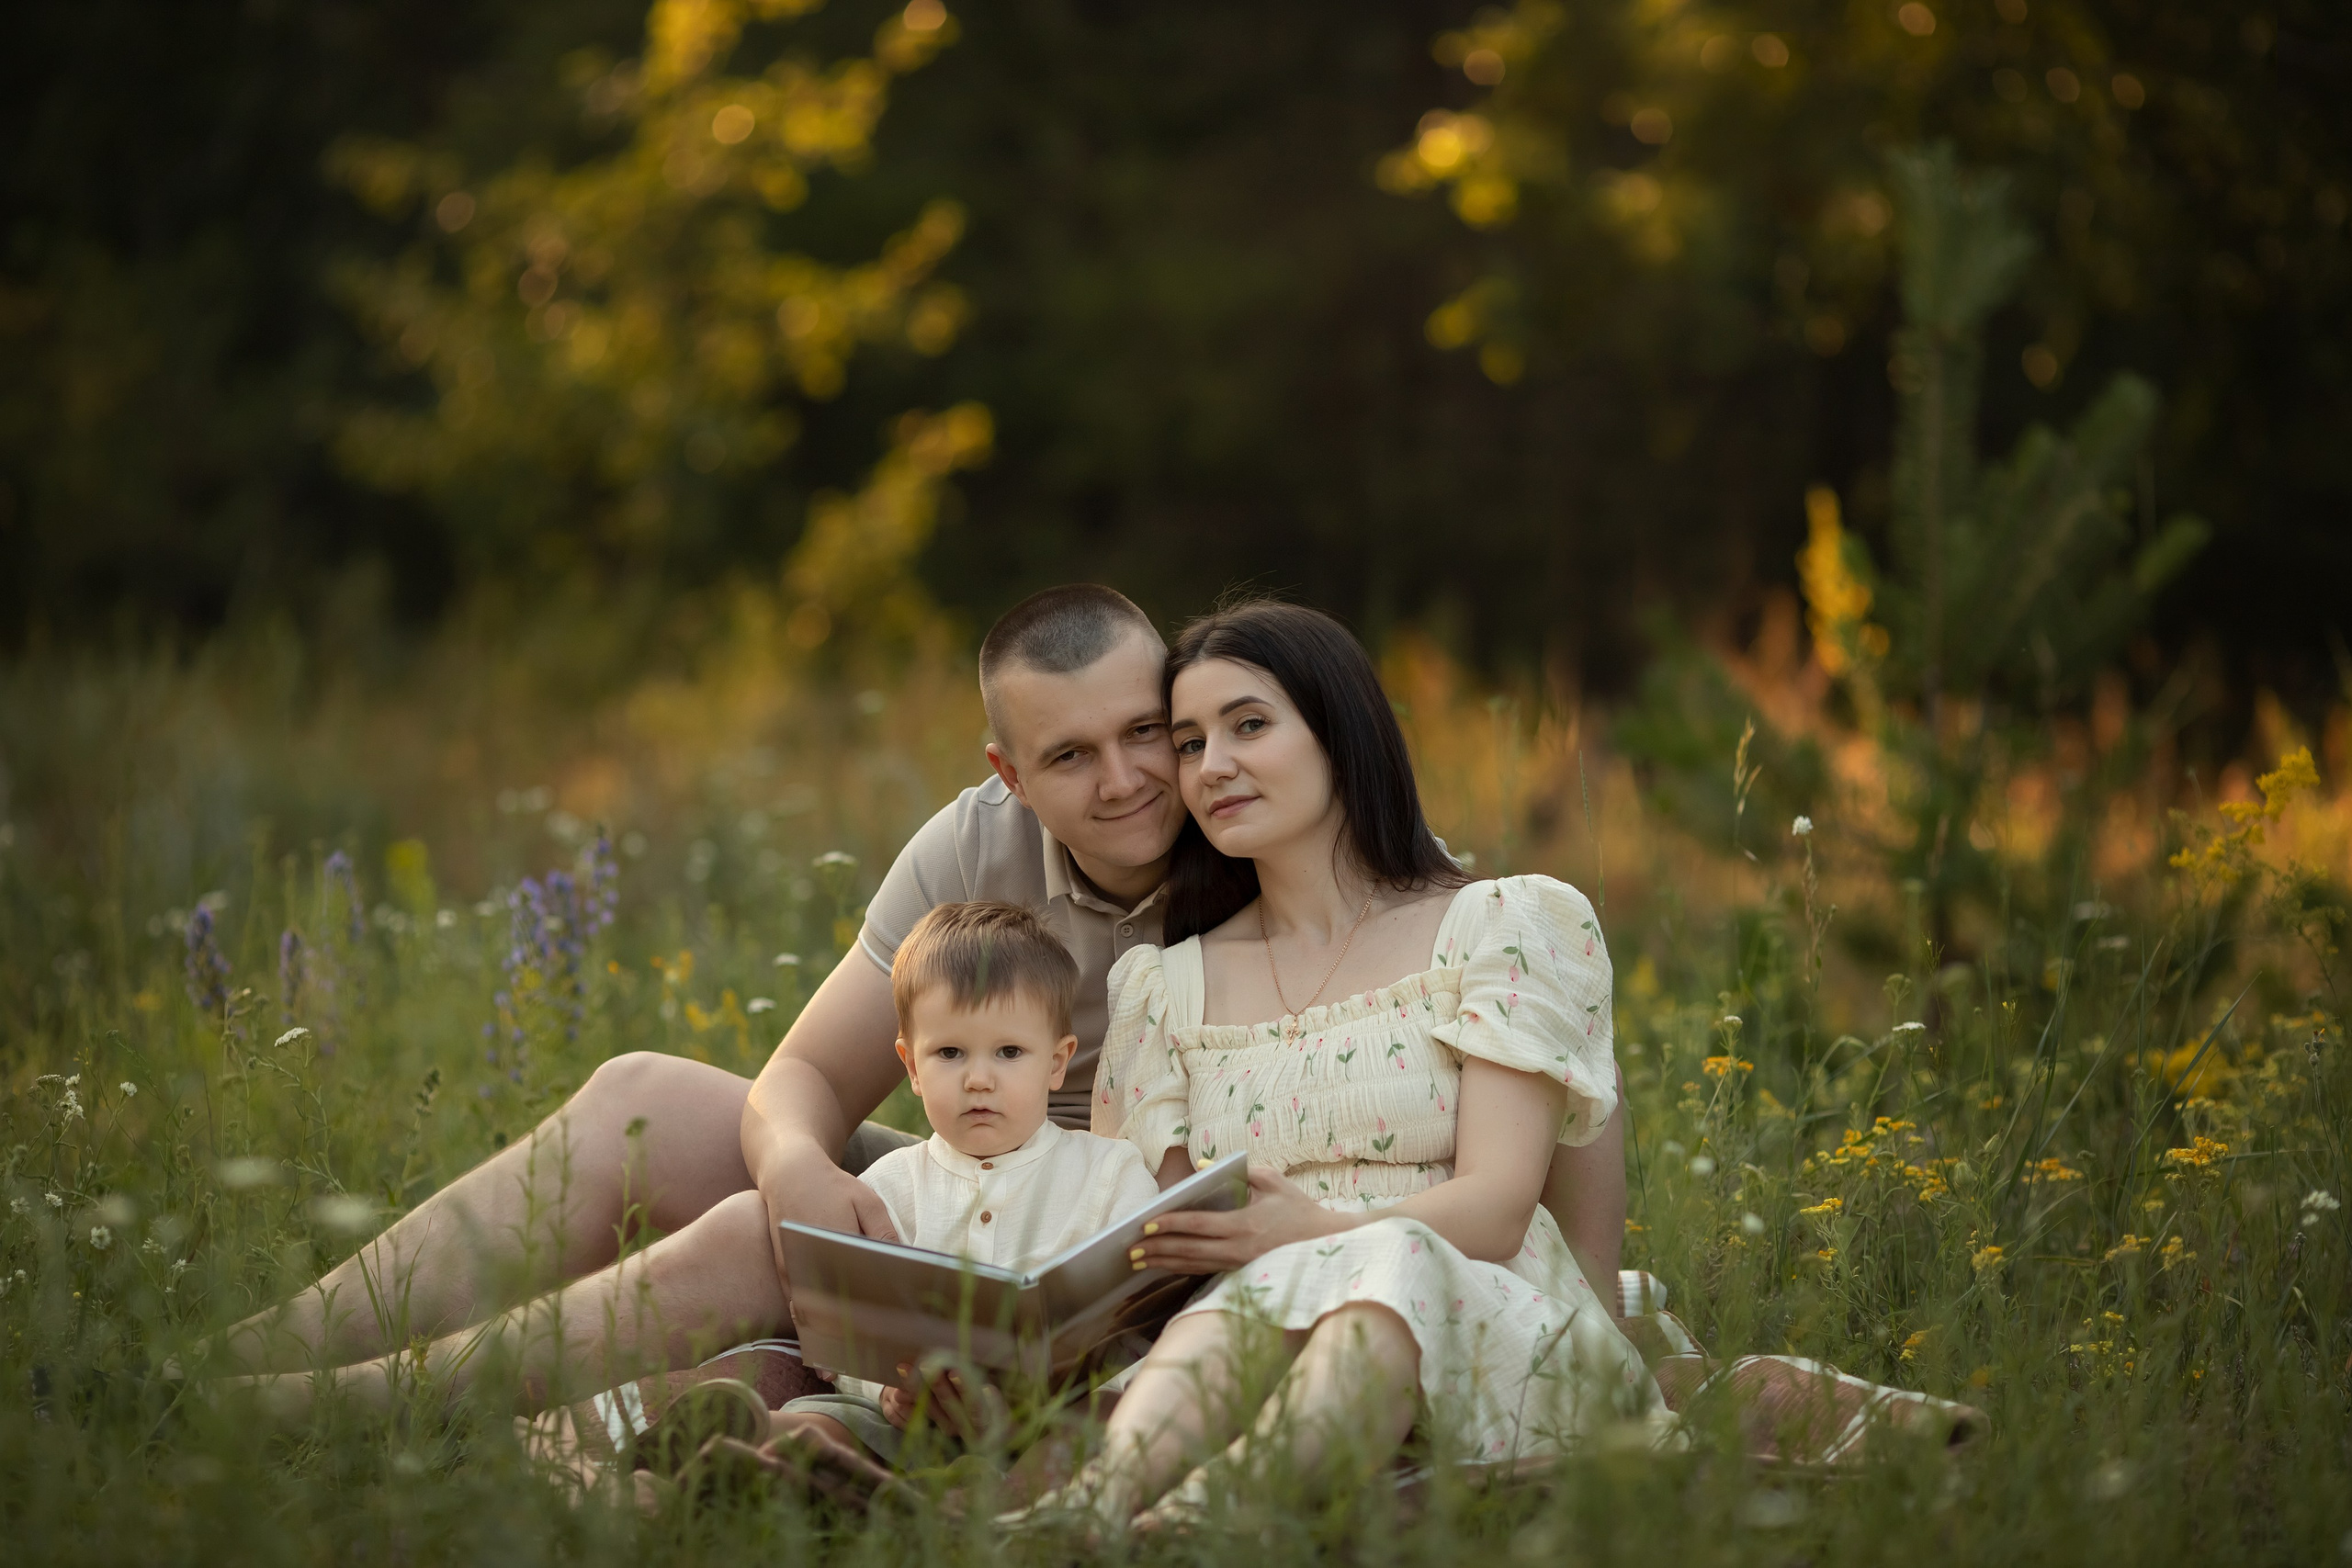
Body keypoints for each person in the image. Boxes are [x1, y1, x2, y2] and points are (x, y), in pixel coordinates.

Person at [201, 584, 1628, 1420]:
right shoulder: (975, 845)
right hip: (979, 1182)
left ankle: (347, 1419)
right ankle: (247, 1367)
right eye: (1074, 756)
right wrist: (808, 1172)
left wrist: (1593, 1289)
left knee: (747, 1237)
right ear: (1010, 775)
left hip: (1137, 1251)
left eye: (1155, 729)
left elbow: (1454, 1027)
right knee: (656, 1097)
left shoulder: (1254, 808)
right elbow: (796, 1080)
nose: (1141, 778)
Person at [1011, 601, 1670, 1533]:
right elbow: (1147, 1241)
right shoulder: (1163, 988)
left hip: (1479, 1305)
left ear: (1339, 729)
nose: (1214, 767)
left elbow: (1497, 1203)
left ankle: (1211, 1519)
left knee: (1385, 1262)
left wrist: (1312, 1228)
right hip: (1253, 1332)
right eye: (1191, 744)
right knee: (1231, 1310)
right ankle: (1090, 1510)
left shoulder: (1496, 926)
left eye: (1249, 725)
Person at [520, 899, 1160, 1502]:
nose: (979, 1077)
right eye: (950, 1053)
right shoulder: (888, 1186)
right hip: (906, 1424)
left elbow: (1141, 1314)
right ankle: (742, 1451)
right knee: (816, 1419)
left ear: (1058, 1061)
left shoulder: (1109, 1173)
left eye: (1009, 1052)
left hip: (1046, 1421)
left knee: (1077, 1443)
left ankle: (961, 1505)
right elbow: (843, 1329)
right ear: (911, 1066)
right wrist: (884, 1390)